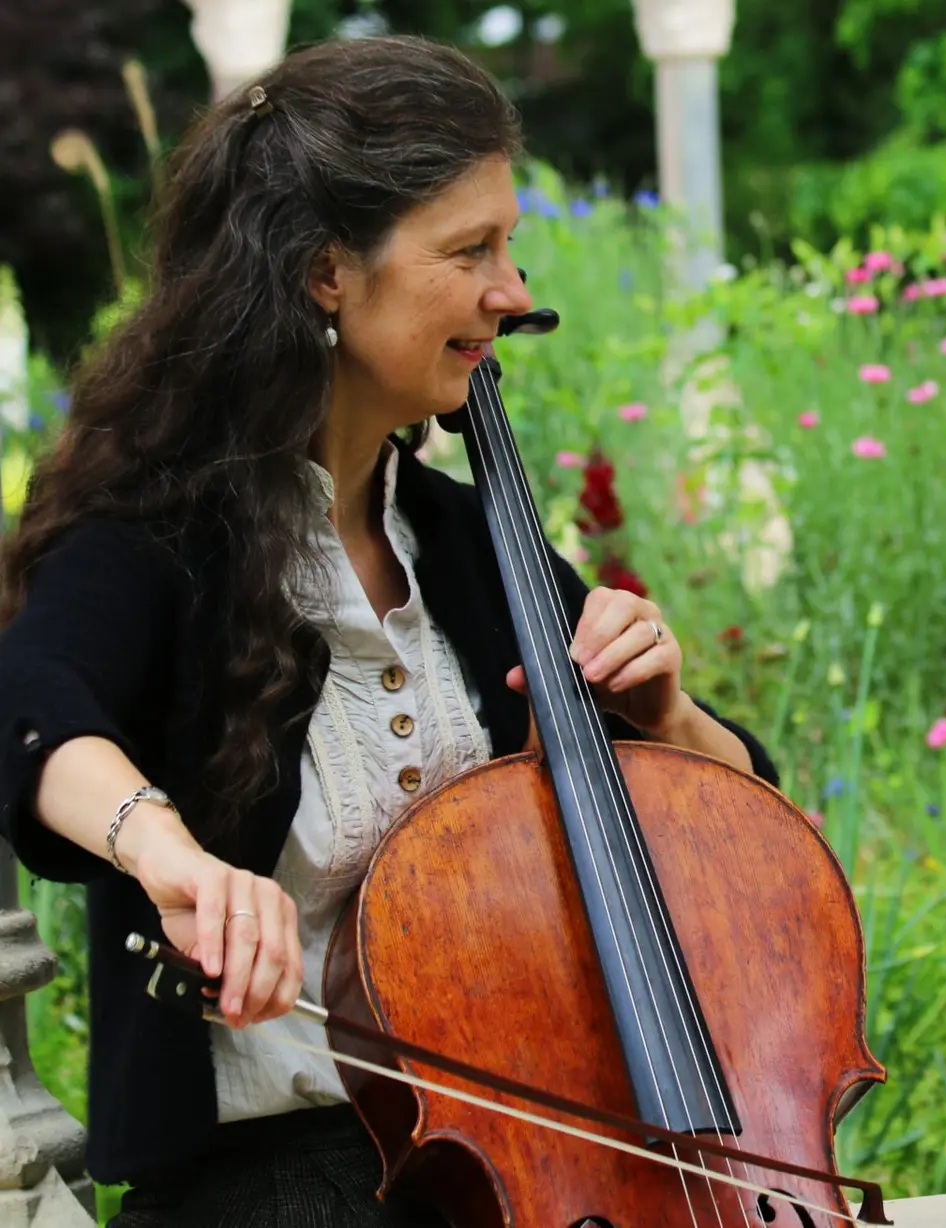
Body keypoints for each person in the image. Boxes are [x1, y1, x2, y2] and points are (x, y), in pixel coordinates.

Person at [0, 35, 780, 1227]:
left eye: (509, 247)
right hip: (263, 1187)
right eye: (471, 250)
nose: (514, 294)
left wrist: (667, 716)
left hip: (528, 1163)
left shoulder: (467, 544)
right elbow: (33, 700)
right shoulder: (156, 536)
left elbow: (744, 844)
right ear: (324, 272)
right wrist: (171, 858)